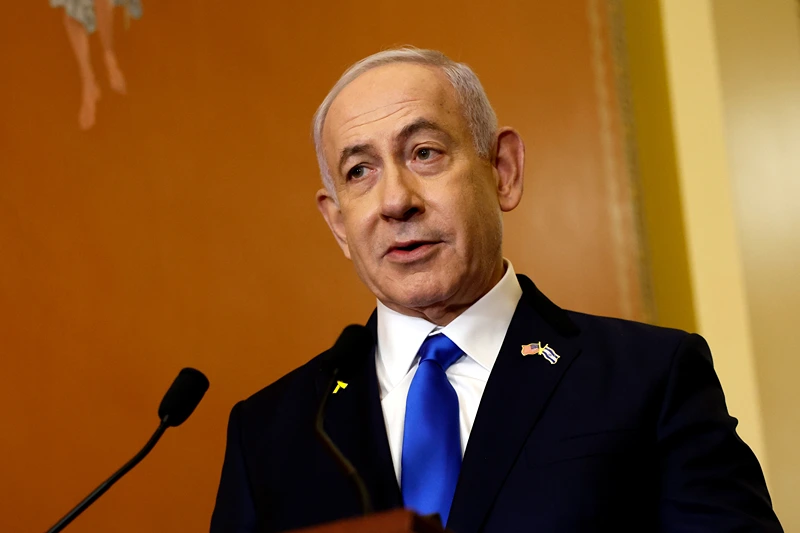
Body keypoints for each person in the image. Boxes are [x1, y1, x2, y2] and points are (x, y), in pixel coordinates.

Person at [210, 48, 782, 532]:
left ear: (503, 170)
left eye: (424, 153)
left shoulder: (650, 376)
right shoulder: (271, 431)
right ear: (338, 223)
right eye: (360, 171)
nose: (395, 201)